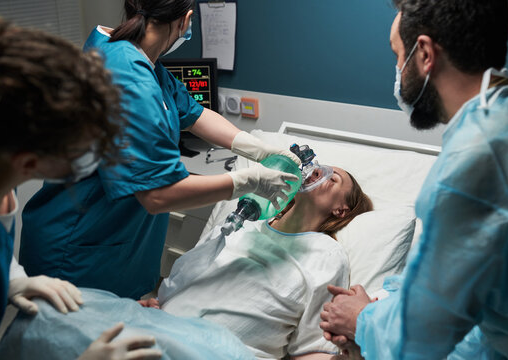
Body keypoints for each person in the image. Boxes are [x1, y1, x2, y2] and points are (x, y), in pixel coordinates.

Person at [19, 0, 300, 300]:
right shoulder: (128, 76)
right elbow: (157, 195)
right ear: (186, 20)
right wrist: (246, 181)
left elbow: (192, 113)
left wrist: (256, 148)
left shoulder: (136, 58)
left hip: (112, 249)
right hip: (78, 252)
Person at [319, 0, 508, 358]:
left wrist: (363, 319)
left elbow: (418, 343)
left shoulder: (472, 167)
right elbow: (472, 282)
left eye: (397, 56)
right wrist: (386, 301)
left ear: (426, 55)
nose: (398, 71)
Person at [0, 16, 161, 359]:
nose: (95, 155)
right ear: (28, 163)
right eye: (84, 148)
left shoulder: (1, 189)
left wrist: (11, 278)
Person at [146, 164, 373, 359]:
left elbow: (310, 347)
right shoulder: (242, 223)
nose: (316, 174)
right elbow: (182, 280)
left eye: (332, 179)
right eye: (316, 169)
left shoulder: (326, 254)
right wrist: (152, 306)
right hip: (156, 332)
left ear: (340, 210)